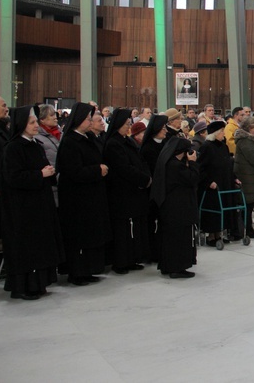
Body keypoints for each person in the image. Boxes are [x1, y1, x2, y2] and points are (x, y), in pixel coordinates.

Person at [0, 105, 64, 300]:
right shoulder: (13, 147)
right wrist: (40, 174)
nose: (37, 125)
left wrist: (48, 173)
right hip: (23, 207)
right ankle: (24, 286)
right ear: (21, 124)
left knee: (40, 246)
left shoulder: (35, 144)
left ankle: (40, 282)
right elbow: (14, 177)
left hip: (39, 203)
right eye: (32, 122)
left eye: (36, 121)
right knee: (26, 249)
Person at [56, 102, 111, 286]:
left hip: (91, 195)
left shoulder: (87, 138)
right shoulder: (71, 141)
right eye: (88, 119)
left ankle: (88, 270)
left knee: (90, 235)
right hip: (76, 198)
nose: (90, 122)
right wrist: (97, 170)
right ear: (79, 120)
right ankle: (77, 272)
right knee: (79, 236)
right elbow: (73, 171)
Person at [103, 108, 151, 274]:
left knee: (134, 228)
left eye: (129, 123)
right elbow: (123, 168)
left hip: (135, 192)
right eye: (126, 124)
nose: (129, 127)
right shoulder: (113, 144)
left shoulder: (127, 141)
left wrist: (146, 177)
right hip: (122, 193)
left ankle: (132, 259)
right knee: (123, 229)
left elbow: (140, 161)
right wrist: (143, 179)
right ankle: (121, 262)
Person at [151, 137, 199, 278]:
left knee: (170, 238)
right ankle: (177, 268)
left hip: (170, 207)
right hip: (179, 207)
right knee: (179, 238)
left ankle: (168, 266)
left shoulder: (168, 163)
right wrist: (193, 163)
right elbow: (193, 179)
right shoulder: (176, 166)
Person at [197, 121, 240, 244]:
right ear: (215, 133)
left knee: (225, 208)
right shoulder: (206, 147)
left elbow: (228, 165)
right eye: (221, 131)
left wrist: (234, 178)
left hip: (225, 182)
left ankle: (220, 234)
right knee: (214, 210)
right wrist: (208, 181)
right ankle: (211, 236)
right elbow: (201, 167)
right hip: (213, 185)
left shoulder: (223, 146)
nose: (223, 133)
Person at [139, 114, 169, 262]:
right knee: (152, 223)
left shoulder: (165, 144)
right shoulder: (147, 148)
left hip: (165, 190)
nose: (166, 131)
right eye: (163, 128)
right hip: (152, 192)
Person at [35, 104, 63, 206]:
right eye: (51, 115)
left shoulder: (60, 133)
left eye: (55, 114)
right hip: (51, 181)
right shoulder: (38, 137)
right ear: (42, 120)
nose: (55, 117)